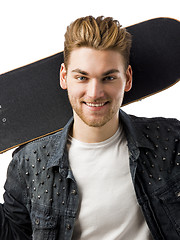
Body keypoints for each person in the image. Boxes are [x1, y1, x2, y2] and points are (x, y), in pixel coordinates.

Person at [0, 15, 180, 240]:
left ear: (128, 78)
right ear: (65, 77)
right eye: (82, 77)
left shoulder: (170, 142)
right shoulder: (30, 162)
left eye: (109, 78)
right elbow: (14, 235)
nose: (95, 93)